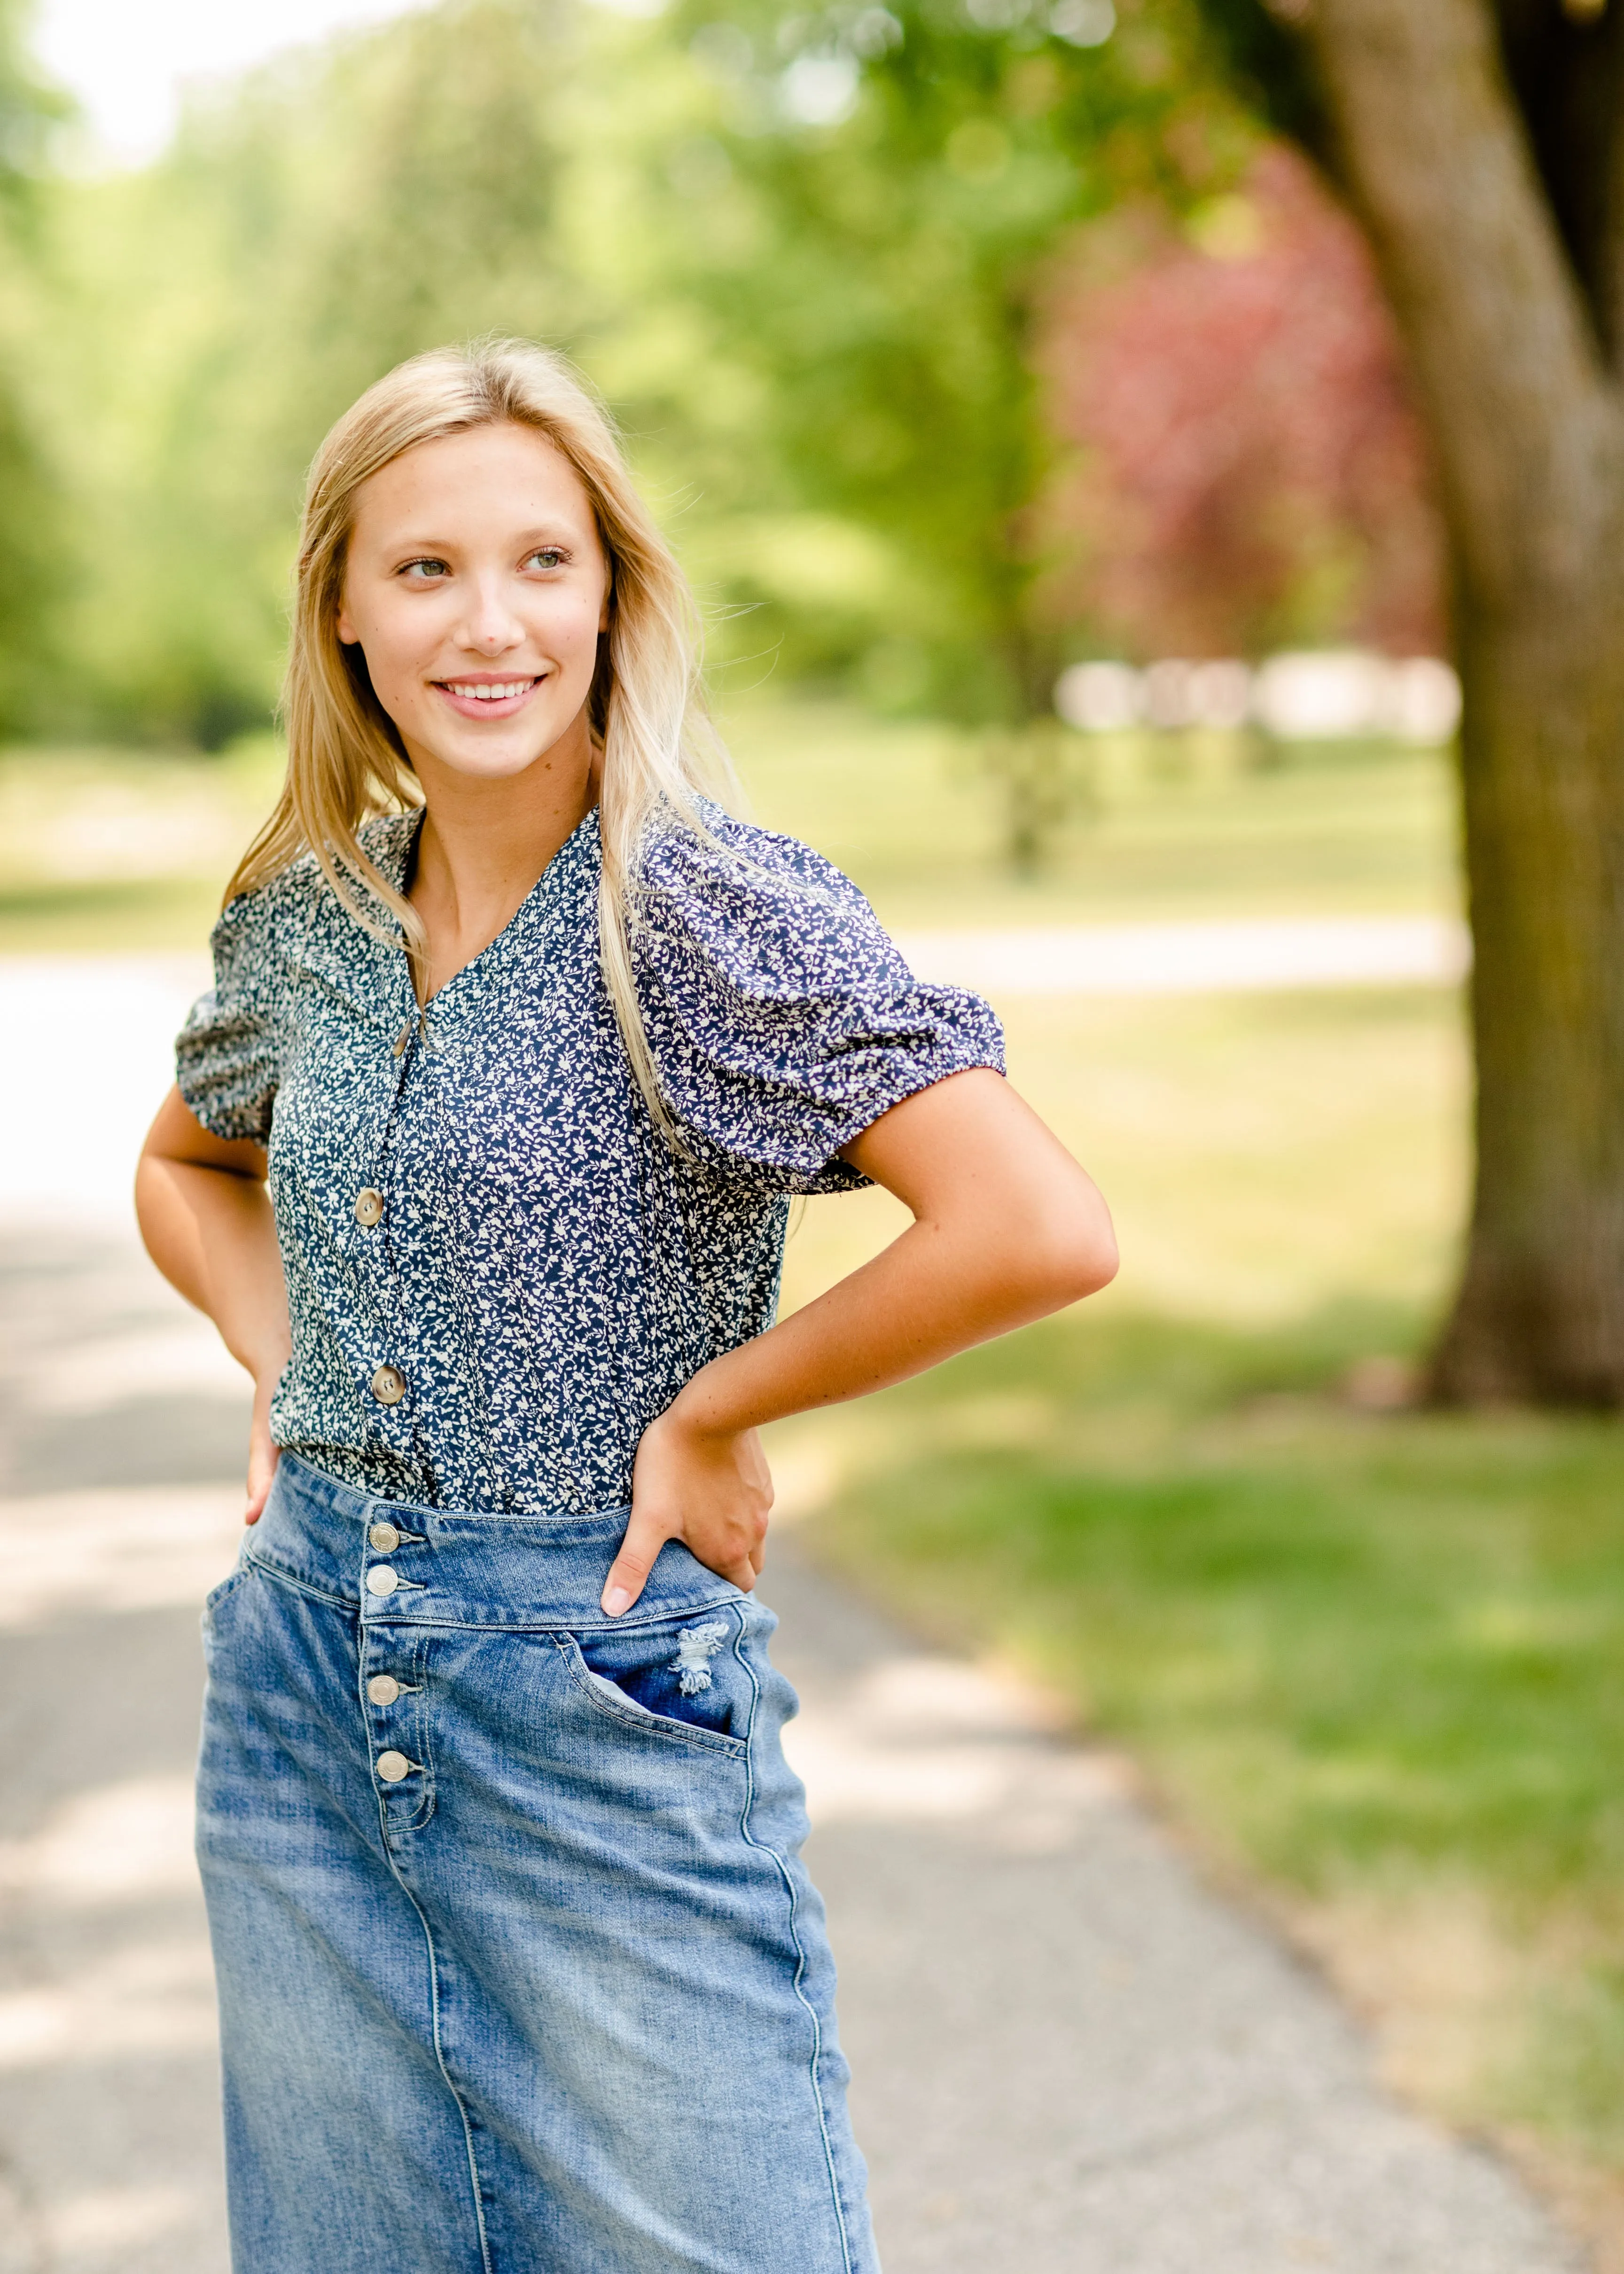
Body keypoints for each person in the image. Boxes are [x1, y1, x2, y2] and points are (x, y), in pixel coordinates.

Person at [135, 338, 1117, 2274]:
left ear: (613, 596)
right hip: (304, 1684)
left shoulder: (699, 913)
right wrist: (290, 1354)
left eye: (541, 565)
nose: (486, 624)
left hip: (589, 1682)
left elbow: (1035, 1223)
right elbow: (187, 1169)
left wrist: (716, 1410)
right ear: (342, 605)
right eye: (424, 569)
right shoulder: (309, 920)